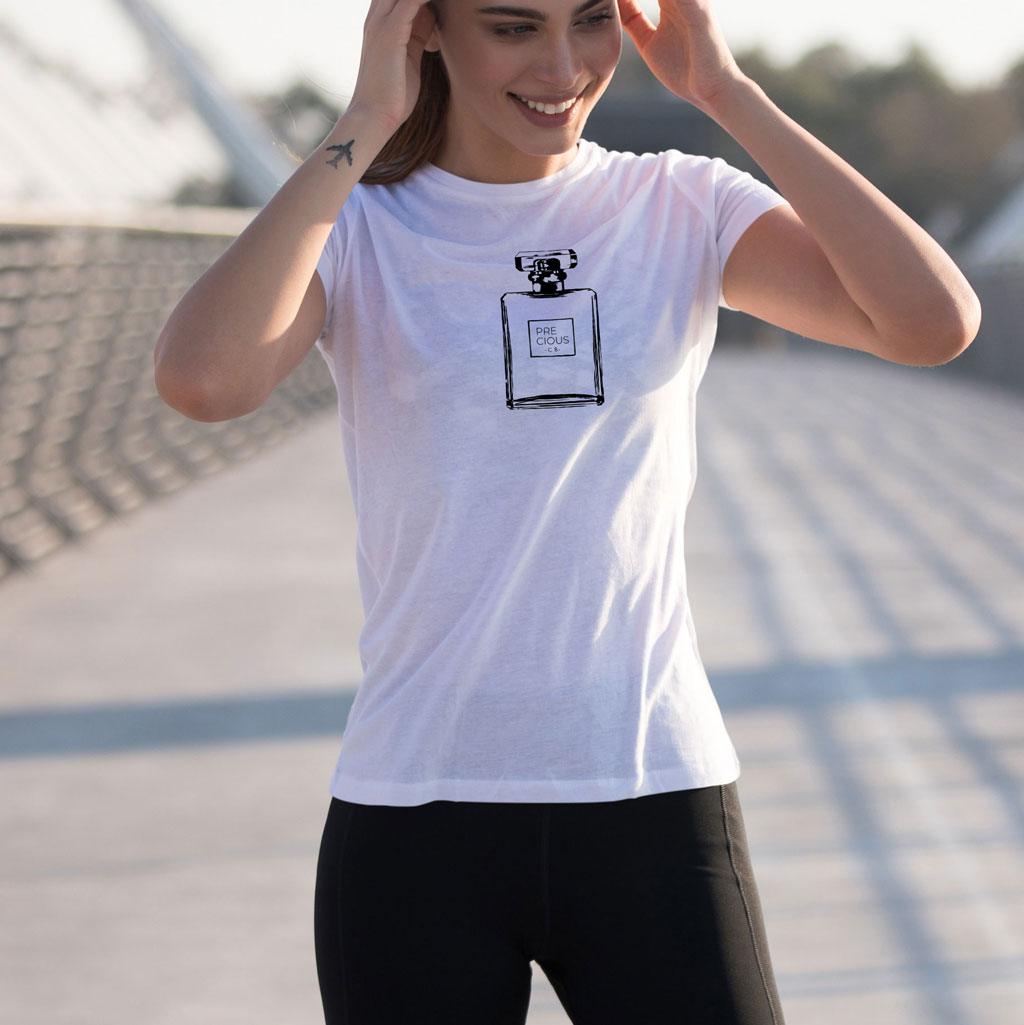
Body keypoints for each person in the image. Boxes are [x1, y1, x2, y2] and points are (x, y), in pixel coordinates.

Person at [153, 1, 981, 1022]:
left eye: (591, 21)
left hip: (652, 790)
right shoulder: (359, 228)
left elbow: (931, 323)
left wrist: (729, 95)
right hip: (416, 805)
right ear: (424, 26)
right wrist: (365, 118)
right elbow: (205, 380)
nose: (563, 65)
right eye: (514, 27)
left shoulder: (679, 203)